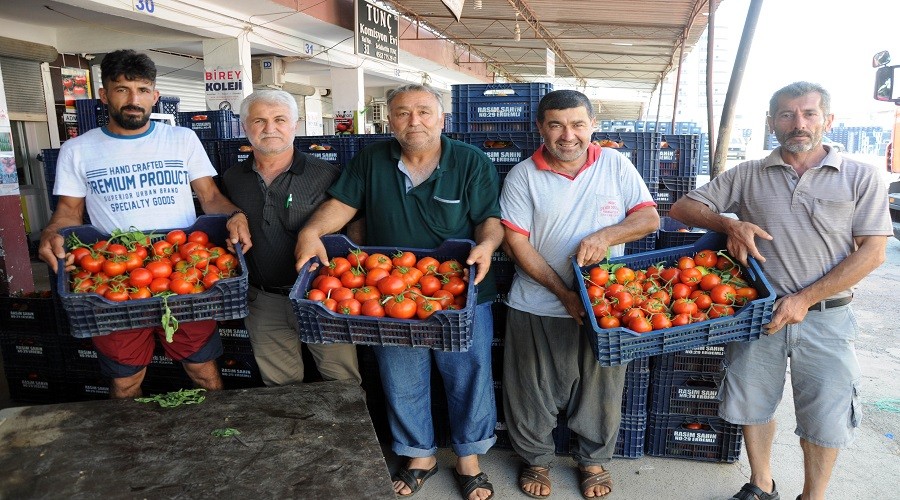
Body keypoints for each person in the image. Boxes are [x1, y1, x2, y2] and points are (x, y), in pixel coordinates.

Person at [668, 81, 891, 500]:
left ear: (828, 120)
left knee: (825, 415)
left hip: (827, 316)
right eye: (787, 115)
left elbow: (873, 253)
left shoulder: (860, 177)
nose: (798, 123)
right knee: (752, 403)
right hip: (759, 314)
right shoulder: (749, 174)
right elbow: (683, 208)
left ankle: (813, 496)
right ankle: (761, 483)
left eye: (809, 114)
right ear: (772, 122)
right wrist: (730, 224)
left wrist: (804, 299)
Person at [295, 83, 503, 500]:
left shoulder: (470, 160)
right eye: (403, 113)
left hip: (459, 291)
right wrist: (311, 231)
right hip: (388, 291)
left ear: (442, 118)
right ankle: (419, 456)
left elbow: (489, 220)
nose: (414, 121)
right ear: (389, 120)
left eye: (424, 112)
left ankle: (469, 458)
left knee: (468, 374)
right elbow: (342, 206)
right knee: (401, 375)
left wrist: (487, 246)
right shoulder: (371, 160)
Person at [38, 49, 252, 399]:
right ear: (104, 95)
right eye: (122, 89)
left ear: (155, 95)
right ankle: (130, 435)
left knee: (202, 369)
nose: (133, 100)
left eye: (142, 90)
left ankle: (216, 427)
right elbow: (68, 212)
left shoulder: (182, 139)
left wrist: (236, 215)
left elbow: (211, 197)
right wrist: (51, 232)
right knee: (126, 380)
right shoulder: (77, 149)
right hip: (116, 273)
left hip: (183, 267)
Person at [499, 89, 659, 499]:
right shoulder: (522, 176)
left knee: (601, 387)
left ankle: (593, 460)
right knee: (531, 387)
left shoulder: (615, 164)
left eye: (577, 125)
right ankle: (535, 459)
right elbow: (516, 243)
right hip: (536, 302)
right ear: (540, 127)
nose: (567, 135)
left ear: (593, 126)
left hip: (608, 303)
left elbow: (648, 218)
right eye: (556, 125)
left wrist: (607, 235)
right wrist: (564, 293)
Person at [220, 89, 360, 387]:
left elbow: (355, 229)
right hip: (264, 300)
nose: (270, 128)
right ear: (244, 127)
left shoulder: (326, 174)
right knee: (280, 389)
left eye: (280, 119)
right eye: (259, 120)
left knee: (342, 383)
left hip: (323, 298)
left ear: (295, 125)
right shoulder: (233, 178)